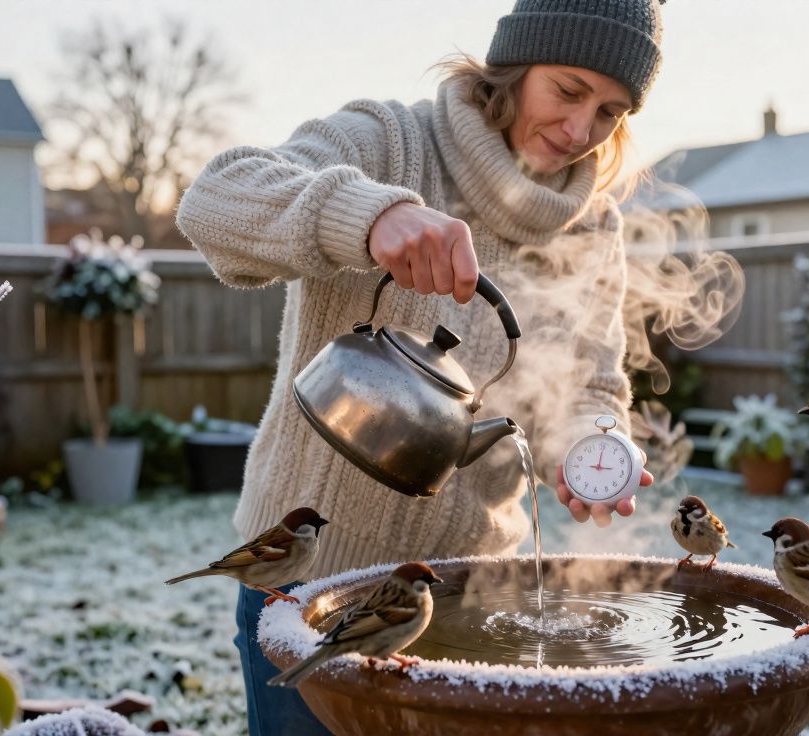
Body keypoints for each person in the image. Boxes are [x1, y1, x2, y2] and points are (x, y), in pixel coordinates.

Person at [176, 1, 666, 732]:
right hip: (307, 577)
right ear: (516, 65)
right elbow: (213, 203)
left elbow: (592, 378)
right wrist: (368, 218)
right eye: (567, 92)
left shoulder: (593, 223)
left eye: (610, 112)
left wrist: (598, 438)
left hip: (469, 590)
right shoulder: (390, 142)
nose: (579, 132)